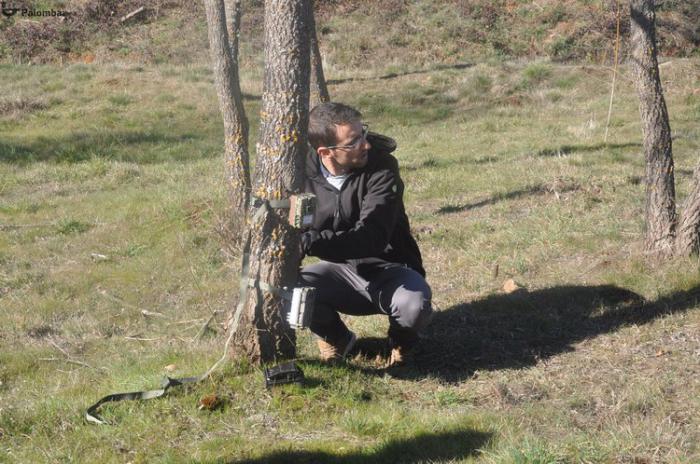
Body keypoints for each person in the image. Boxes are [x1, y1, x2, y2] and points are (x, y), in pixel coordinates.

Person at [299, 102, 432, 366]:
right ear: (325, 151)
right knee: (286, 288)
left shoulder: (383, 168)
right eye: (354, 141)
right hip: (340, 271)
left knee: (414, 303)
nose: (366, 145)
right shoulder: (299, 172)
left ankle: (401, 342)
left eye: (364, 134)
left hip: (391, 269)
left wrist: (311, 242)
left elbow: (372, 237)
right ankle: (337, 338)